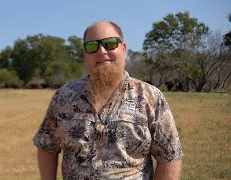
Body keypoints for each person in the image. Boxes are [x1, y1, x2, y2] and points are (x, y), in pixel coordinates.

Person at [33, 21, 183, 180]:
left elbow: (169, 156)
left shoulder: (150, 98)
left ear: (123, 49)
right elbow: (46, 145)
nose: (101, 51)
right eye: (92, 46)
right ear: (85, 53)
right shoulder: (63, 97)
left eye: (110, 44)